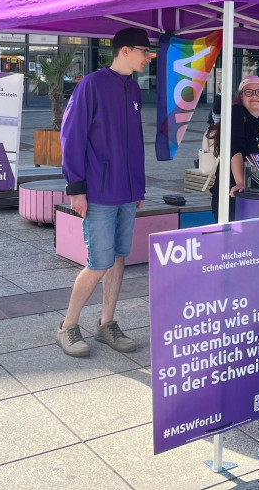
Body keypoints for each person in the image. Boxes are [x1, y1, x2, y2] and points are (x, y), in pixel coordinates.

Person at [56, 27, 152, 357]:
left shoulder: (134, 88)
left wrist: (138, 186)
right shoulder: (91, 85)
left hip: (127, 191)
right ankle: (68, 326)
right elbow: (71, 137)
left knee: (119, 258)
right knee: (99, 262)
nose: (148, 57)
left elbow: (135, 143)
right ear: (125, 50)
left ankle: (106, 323)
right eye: (144, 51)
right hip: (98, 191)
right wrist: (76, 188)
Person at [208, 75, 259, 221]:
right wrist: (241, 183)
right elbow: (234, 150)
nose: (254, 96)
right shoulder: (236, 113)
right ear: (241, 96)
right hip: (236, 193)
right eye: (248, 92)